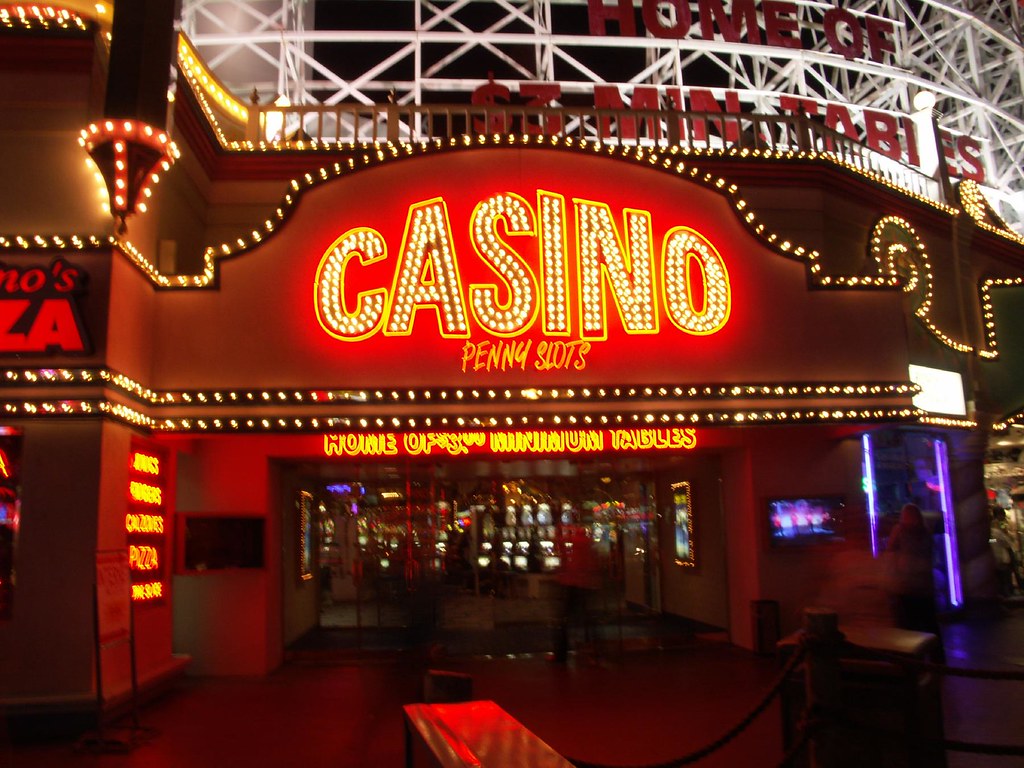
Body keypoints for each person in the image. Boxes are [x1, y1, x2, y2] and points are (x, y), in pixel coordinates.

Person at [884, 503, 945, 660]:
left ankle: (914, 660)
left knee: (910, 627)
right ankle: (938, 658)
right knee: (930, 624)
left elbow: (890, 553)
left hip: (907, 586)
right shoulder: (925, 532)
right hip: (924, 586)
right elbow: (931, 556)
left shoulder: (899, 531)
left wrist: (891, 580)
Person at [552, 522, 600, 663]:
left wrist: (558, 533)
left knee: (564, 620)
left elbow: (563, 554)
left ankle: (561, 654)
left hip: (571, 583)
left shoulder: (572, 542)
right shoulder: (589, 543)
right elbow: (594, 562)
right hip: (585, 583)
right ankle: (593, 650)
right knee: (588, 619)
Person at [990, 507, 1018, 598]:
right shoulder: (995, 527)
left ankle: (1007, 592)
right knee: (1006, 575)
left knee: (1004, 576)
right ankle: (1008, 592)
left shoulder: (997, 526)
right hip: (1002, 554)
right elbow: (999, 541)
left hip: (999, 554)